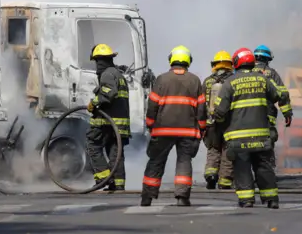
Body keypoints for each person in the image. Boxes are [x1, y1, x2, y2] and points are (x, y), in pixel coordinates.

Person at [213, 48, 293, 209]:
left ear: (236, 63)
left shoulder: (230, 83)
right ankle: (272, 199)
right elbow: (280, 95)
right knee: (263, 165)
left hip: (238, 137)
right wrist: (286, 112)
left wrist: (219, 122)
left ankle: (247, 200)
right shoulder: (263, 80)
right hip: (262, 135)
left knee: (242, 167)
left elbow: (219, 112)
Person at [141, 45, 206, 207]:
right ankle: (182, 197)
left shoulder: (161, 79)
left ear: (171, 60)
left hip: (163, 130)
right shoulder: (195, 80)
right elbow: (201, 109)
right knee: (184, 162)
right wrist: (202, 128)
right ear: (188, 61)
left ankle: (147, 197)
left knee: (156, 161)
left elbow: (152, 105)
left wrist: (150, 124)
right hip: (187, 131)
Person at [85, 43, 130, 192]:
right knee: (115, 153)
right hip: (119, 124)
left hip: (107, 122)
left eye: (97, 61)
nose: (97, 65)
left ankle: (103, 178)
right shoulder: (118, 74)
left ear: (100, 60)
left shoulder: (107, 74)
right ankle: (118, 184)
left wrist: (94, 103)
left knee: (93, 145)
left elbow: (108, 93)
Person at [252, 44, 290, 170]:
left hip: (245, 118)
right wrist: (287, 113)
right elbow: (282, 94)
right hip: (266, 118)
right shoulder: (272, 74)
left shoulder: (244, 73)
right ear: (268, 59)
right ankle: (267, 174)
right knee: (267, 146)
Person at [202, 50, 234, 190]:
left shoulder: (208, 81)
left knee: (213, 149)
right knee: (227, 150)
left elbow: (202, 103)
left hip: (211, 123)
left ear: (214, 65)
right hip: (229, 123)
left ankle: (211, 174)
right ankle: (225, 181)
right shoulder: (234, 80)